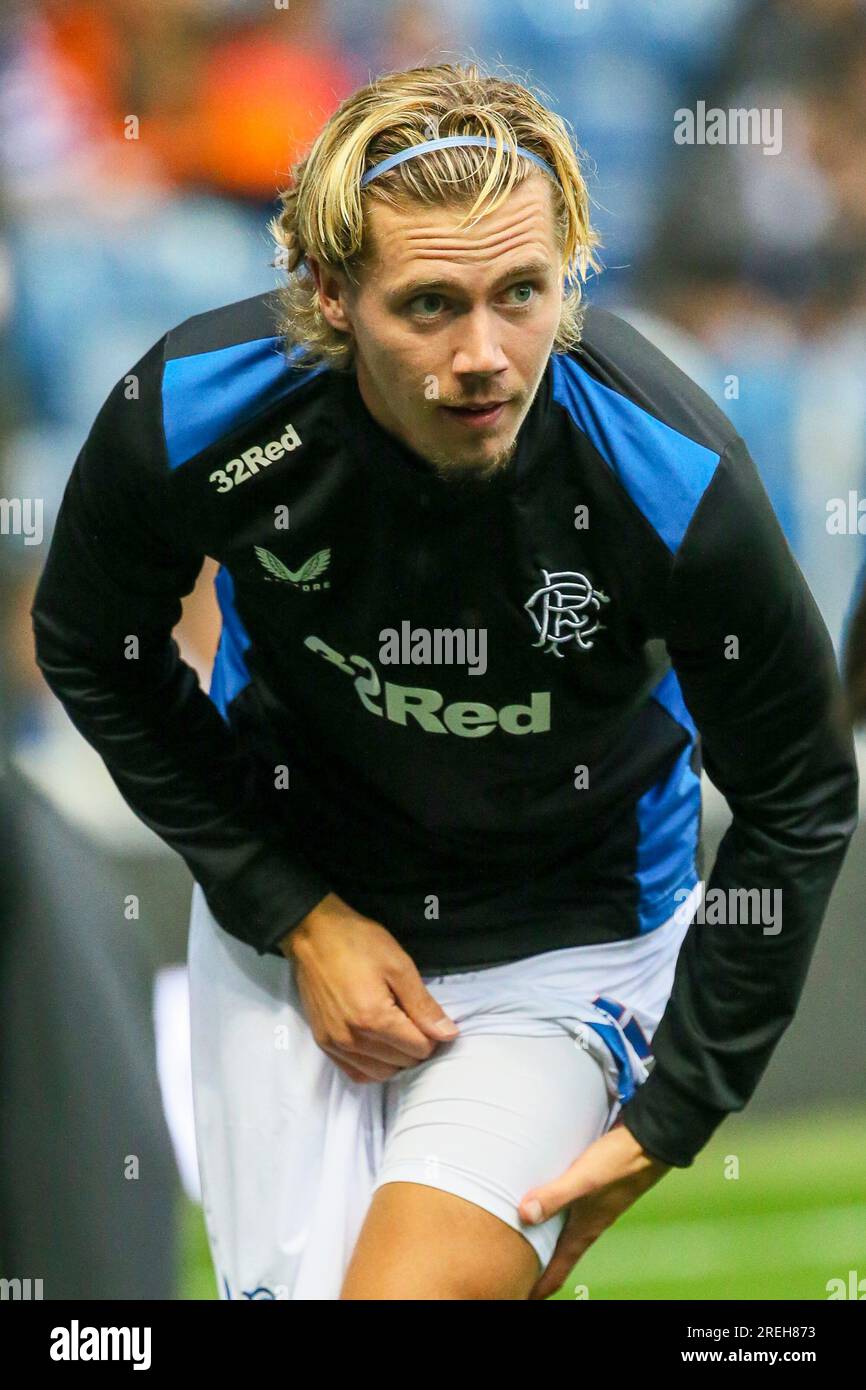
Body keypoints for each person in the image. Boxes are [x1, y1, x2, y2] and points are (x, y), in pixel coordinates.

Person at [31, 61, 859, 1302]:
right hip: (285, 928)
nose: (484, 355)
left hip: (564, 941)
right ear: (328, 294)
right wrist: (294, 911)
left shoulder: (672, 470)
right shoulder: (193, 410)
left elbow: (798, 792)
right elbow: (94, 645)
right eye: (428, 305)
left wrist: (677, 1103)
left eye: (521, 293)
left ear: (567, 269)